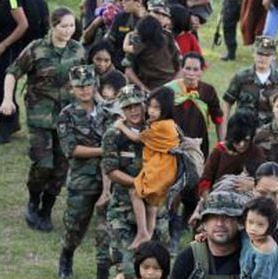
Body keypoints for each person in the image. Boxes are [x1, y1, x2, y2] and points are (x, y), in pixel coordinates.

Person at [0, 7, 85, 232]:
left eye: (71, 26)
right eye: (63, 26)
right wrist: (8, 100)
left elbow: (87, 81)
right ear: (53, 26)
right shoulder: (37, 49)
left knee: (60, 168)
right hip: (40, 116)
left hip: (68, 119)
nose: (68, 31)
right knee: (43, 164)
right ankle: (33, 201)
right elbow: (12, 72)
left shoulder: (78, 50)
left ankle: (46, 210)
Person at [56, 65, 116, 279]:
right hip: (82, 180)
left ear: (95, 86)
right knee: (74, 226)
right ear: (72, 89)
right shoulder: (67, 115)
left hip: (109, 181)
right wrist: (103, 150)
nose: (84, 90)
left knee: (105, 235)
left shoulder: (108, 111)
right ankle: (66, 256)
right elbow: (71, 149)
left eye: (88, 85)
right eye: (79, 86)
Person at [101, 84, 170, 278]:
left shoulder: (157, 128)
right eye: (127, 107)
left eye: (137, 105)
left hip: (155, 207)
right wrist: (138, 185)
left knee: (159, 268)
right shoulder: (113, 134)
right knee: (127, 268)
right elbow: (111, 170)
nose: (133, 110)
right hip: (123, 208)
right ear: (121, 110)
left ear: (145, 105)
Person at [165, 52, 223, 239]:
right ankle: (172, 230)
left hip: (199, 149)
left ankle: (188, 226)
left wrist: (222, 143)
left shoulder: (208, 92)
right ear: (181, 69)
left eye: (195, 69)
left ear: (201, 71)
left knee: (194, 189)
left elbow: (218, 118)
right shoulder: (169, 91)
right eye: (187, 68)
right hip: (174, 148)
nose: (191, 73)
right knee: (174, 190)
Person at [169, 191, 260, 279]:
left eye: (227, 217)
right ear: (204, 224)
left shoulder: (256, 257)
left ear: (239, 222)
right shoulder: (188, 258)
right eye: (213, 217)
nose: (220, 224)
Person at [114, 86, 179, 249]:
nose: (151, 111)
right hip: (165, 170)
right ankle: (148, 234)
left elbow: (137, 138)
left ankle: (143, 231)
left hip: (160, 170)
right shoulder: (168, 124)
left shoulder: (159, 126)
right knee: (151, 203)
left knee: (135, 191)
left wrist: (121, 126)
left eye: (156, 108)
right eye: (150, 106)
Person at [0, 0, 49, 144]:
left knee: (4, 85)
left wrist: (3, 45)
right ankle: (18, 124)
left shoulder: (13, 1)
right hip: (36, 46)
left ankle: (6, 126)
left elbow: (23, 24)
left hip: (13, 46)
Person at [222, 35, 278, 134]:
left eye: (267, 55)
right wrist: (224, 132)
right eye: (260, 53)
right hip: (242, 133)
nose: (263, 58)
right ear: (253, 53)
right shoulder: (241, 77)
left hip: (269, 135)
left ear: (274, 57)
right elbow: (227, 103)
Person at [198, 111, 265, 200]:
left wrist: (253, 185)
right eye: (236, 140)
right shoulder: (220, 151)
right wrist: (208, 200)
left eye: (246, 140)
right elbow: (205, 179)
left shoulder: (256, 152)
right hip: (217, 198)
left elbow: (266, 180)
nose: (241, 145)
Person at [123, 15, 180, 91]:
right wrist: (144, 88)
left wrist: (171, 86)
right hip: (150, 85)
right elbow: (128, 70)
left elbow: (181, 68)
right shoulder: (166, 37)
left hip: (167, 84)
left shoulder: (167, 39)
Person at [106, 0, 146, 70]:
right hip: (118, 64)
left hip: (142, 67)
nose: (122, 2)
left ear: (139, 2)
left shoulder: (150, 21)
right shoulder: (121, 18)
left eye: (126, 0)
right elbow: (110, 43)